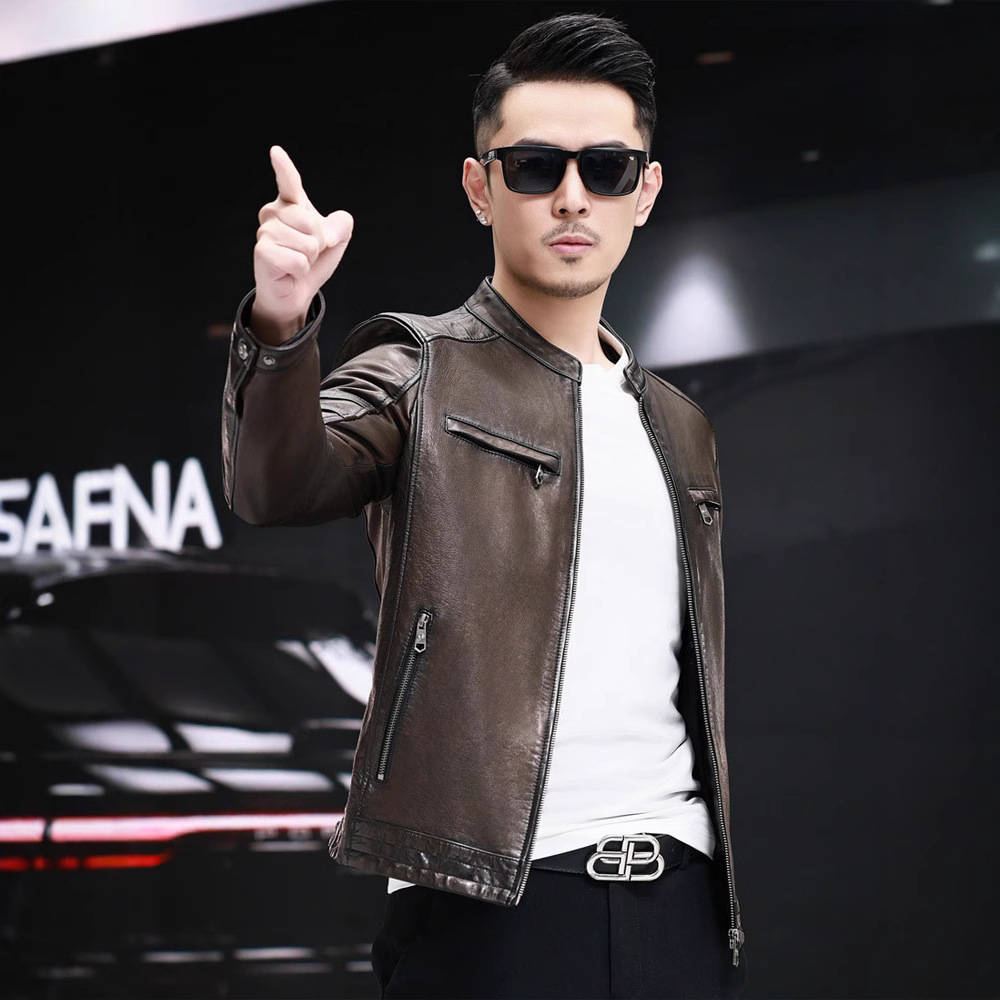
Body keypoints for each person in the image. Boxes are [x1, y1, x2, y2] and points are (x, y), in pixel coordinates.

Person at [221, 11, 746, 998]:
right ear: (479, 186)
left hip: (681, 904)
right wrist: (282, 323)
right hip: (489, 908)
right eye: (536, 167)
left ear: (645, 192)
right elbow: (277, 484)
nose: (572, 197)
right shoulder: (419, 368)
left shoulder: (681, 426)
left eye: (607, 169)